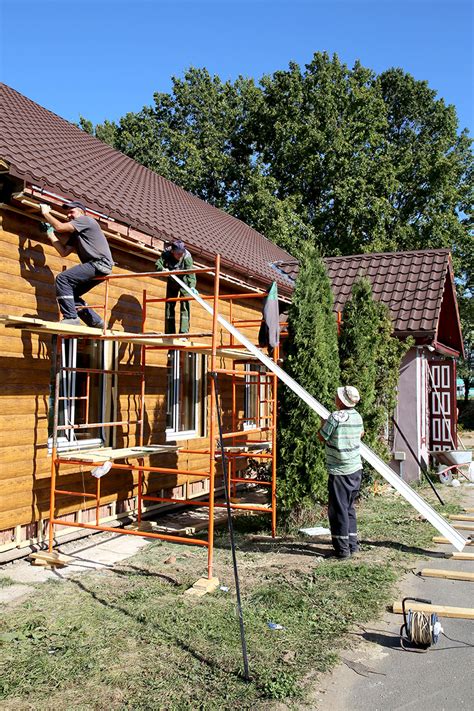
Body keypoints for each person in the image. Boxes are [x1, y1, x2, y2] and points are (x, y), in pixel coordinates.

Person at [39, 201, 113, 328]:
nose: (69, 215)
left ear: (82, 212)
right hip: (100, 266)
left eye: (71, 212)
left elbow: (60, 227)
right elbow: (64, 252)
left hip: (99, 263)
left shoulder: (86, 220)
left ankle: (71, 318)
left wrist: (46, 213)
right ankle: (96, 322)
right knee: (71, 293)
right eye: (67, 214)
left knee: (63, 279)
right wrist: (50, 233)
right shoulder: (77, 233)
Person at [318, 385, 364, 559]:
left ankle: (342, 551)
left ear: (341, 400)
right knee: (349, 508)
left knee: (338, 511)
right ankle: (352, 545)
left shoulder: (336, 417)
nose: (334, 398)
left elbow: (322, 436)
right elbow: (361, 434)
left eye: (336, 396)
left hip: (340, 471)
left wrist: (324, 424)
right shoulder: (357, 416)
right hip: (355, 469)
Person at [155, 240, 196, 334]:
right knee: (169, 305)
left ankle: (183, 333)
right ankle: (169, 332)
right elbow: (158, 264)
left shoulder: (186, 257)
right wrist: (162, 269)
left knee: (185, 304)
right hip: (172, 280)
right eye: (178, 254)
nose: (180, 255)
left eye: (181, 253)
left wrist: (192, 286)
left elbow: (191, 273)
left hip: (184, 282)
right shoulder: (166, 253)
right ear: (172, 251)